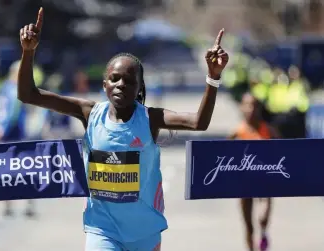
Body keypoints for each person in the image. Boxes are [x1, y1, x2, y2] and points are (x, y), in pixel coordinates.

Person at [18, 7, 229, 250]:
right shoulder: (90, 113)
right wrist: (28, 52)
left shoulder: (150, 119)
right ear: (105, 83)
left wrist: (213, 77)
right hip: (102, 229)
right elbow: (28, 94)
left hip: (144, 232)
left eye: (129, 81)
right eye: (115, 78)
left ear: (140, 88)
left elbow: (198, 122)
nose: (121, 85)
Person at [228, 92, 280, 251]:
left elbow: (284, 151)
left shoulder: (269, 130)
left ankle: (263, 231)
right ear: (242, 108)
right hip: (244, 184)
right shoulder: (237, 133)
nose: (251, 109)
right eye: (247, 105)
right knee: (249, 226)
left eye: (254, 105)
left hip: (265, 180)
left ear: (259, 108)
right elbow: (223, 157)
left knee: (262, 218)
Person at [0, 60, 36, 218]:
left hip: (7, 135)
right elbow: (11, 113)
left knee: (6, 171)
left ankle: (9, 205)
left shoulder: (3, 88)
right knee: (24, 170)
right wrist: (3, 129)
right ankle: (27, 204)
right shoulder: (16, 89)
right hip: (15, 135)